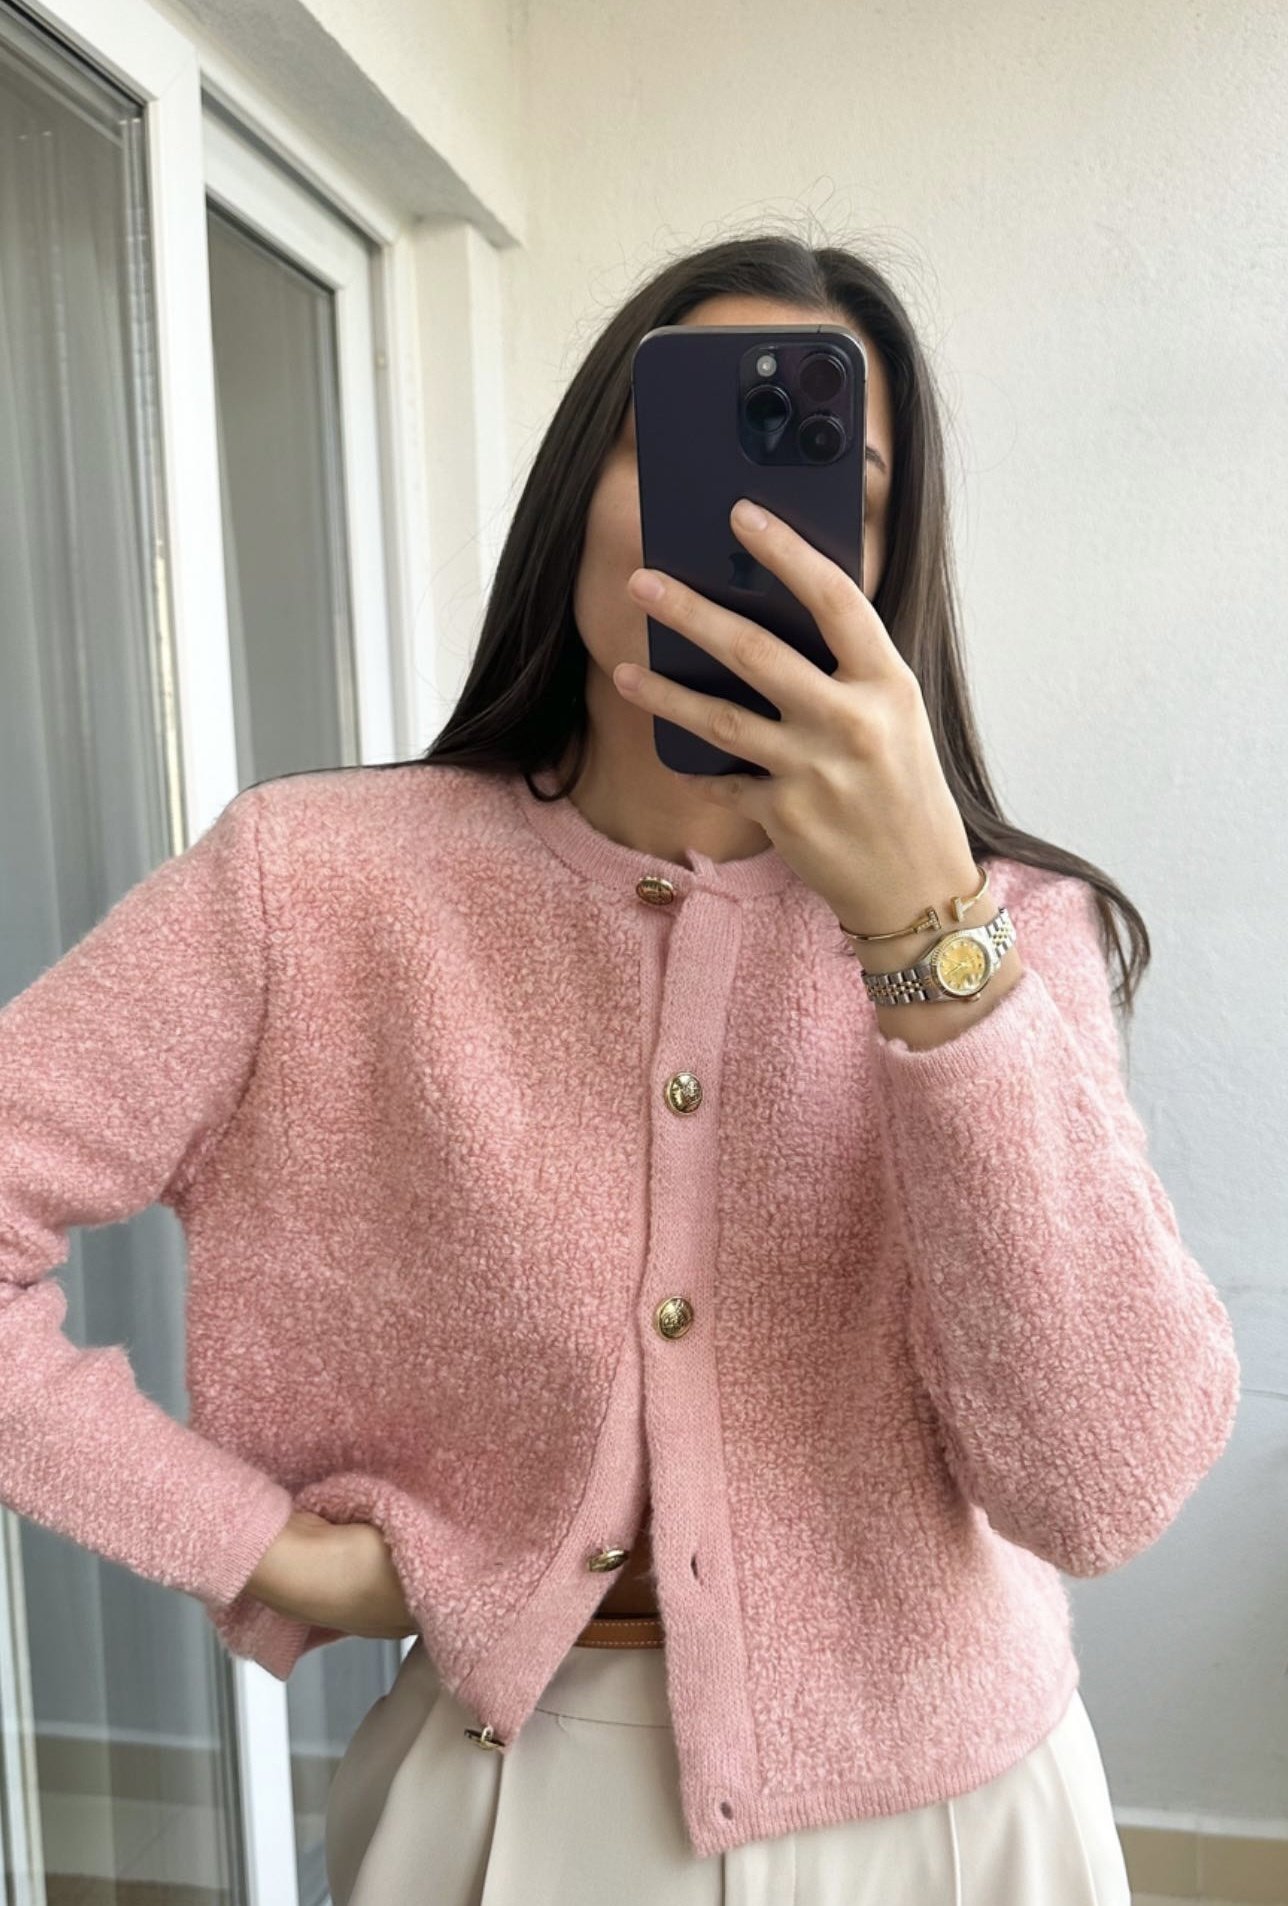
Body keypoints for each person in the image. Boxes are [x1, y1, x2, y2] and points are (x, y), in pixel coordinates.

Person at [0, 234, 1239, 1906]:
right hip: (513, 1801)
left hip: (967, 1817)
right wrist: (259, 1544)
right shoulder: (316, 888)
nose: (739, 526)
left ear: (886, 568)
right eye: (679, 445)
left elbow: (1103, 1486)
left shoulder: (1008, 928)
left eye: (828, 488)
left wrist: (925, 939)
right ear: (574, 489)